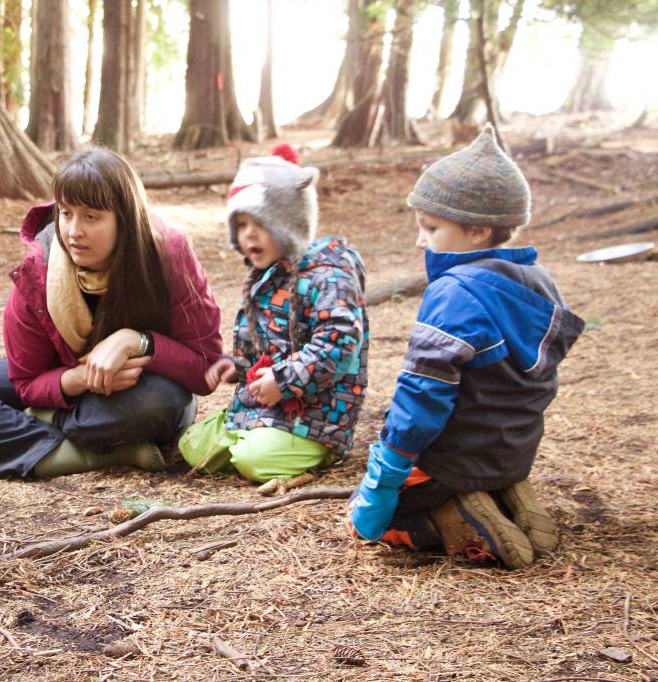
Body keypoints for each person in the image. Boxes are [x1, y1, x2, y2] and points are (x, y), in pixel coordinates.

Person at [0, 148, 223, 478]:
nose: (73, 231)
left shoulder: (167, 254)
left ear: (124, 218)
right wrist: (78, 379)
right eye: (66, 213)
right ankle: (88, 452)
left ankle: (34, 431)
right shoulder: (39, 268)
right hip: (62, 378)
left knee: (161, 402)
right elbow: (26, 381)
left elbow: (207, 368)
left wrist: (138, 342)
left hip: (137, 391)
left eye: (91, 217)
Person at [347, 125, 585, 569]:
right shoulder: (540, 281)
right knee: (480, 453)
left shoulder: (455, 293)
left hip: (454, 458)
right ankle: (508, 491)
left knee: (391, 517)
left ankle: (455, 515)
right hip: (514, 448)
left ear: (477, 231)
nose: (421, 240)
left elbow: (422, 395)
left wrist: (385, 476)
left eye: (432, 228)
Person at [178, 145, 368, 483]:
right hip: (269, 407)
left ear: (289, 222)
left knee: (252, 460)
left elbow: (338, 345)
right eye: (241, 224)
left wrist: (284, 381)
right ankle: (256, 437)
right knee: (192, 446)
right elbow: (263, 344)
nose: (248, 234)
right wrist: (236, 367)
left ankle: (315, 454)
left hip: (317, 418)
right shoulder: (267, 275)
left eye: (260, 222)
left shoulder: (329, 276)